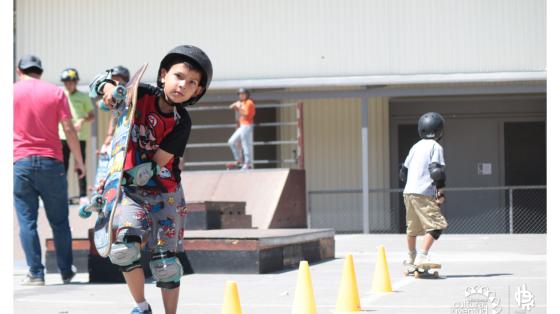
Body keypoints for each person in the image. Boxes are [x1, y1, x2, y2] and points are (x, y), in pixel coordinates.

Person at [90, 45, 212, 314]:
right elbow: (99, 83)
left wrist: (127, 174)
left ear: (197, 92)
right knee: (124, 249)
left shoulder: (182, 122)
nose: (183, 85)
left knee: (166, 265)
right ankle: (141, 306)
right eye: (179, 76)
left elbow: (157, 163)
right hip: (132, 193)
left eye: (192, 83)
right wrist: (109, 89)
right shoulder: (140, 93)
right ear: (163, 75)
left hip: (165, 194)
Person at [14, 55, 86, 286]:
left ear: (19, 71)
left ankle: (36, 273)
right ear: (41, 72)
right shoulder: (55, 92)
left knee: (27, 222)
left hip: (21, 163)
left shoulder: (11, 92)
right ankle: (66, 271)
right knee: (60, 221)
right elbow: (68, 129)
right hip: (51, 162)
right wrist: (79, 160)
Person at [400, 112, 448, 268]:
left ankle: (411, 257)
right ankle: (422, 256)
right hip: (423, 193)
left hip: (408, 193)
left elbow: (403, 172)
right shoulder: (436, 146)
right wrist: (440, 192)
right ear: (439, 130)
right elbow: (436, 171)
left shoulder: (415, 146)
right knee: (437, 225)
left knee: (412, 228)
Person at [58, 68, 95, 205]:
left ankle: (83, 195)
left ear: (76, 82)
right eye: (66, 82)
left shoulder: (83, 96)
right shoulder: (61, 95)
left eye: (71, 82)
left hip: (80, 136)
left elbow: (92, 116)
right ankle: (62, 194)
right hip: (63, 136)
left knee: (80, 164)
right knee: (63, 166)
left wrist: (82, 120)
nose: (68, 85)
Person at [227, 87, 255, 170]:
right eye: (240, 94)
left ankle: (248, 163)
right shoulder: (242, 102)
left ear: (247, 94)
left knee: (245, 144)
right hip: (242, 125)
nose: (241, 96)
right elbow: (230, 106)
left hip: (247, 125)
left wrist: (238, 107)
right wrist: (236, 105)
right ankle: (239, 160)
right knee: (231, 141)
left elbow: (246, 114)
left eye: (243, 94)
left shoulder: (249, 103)